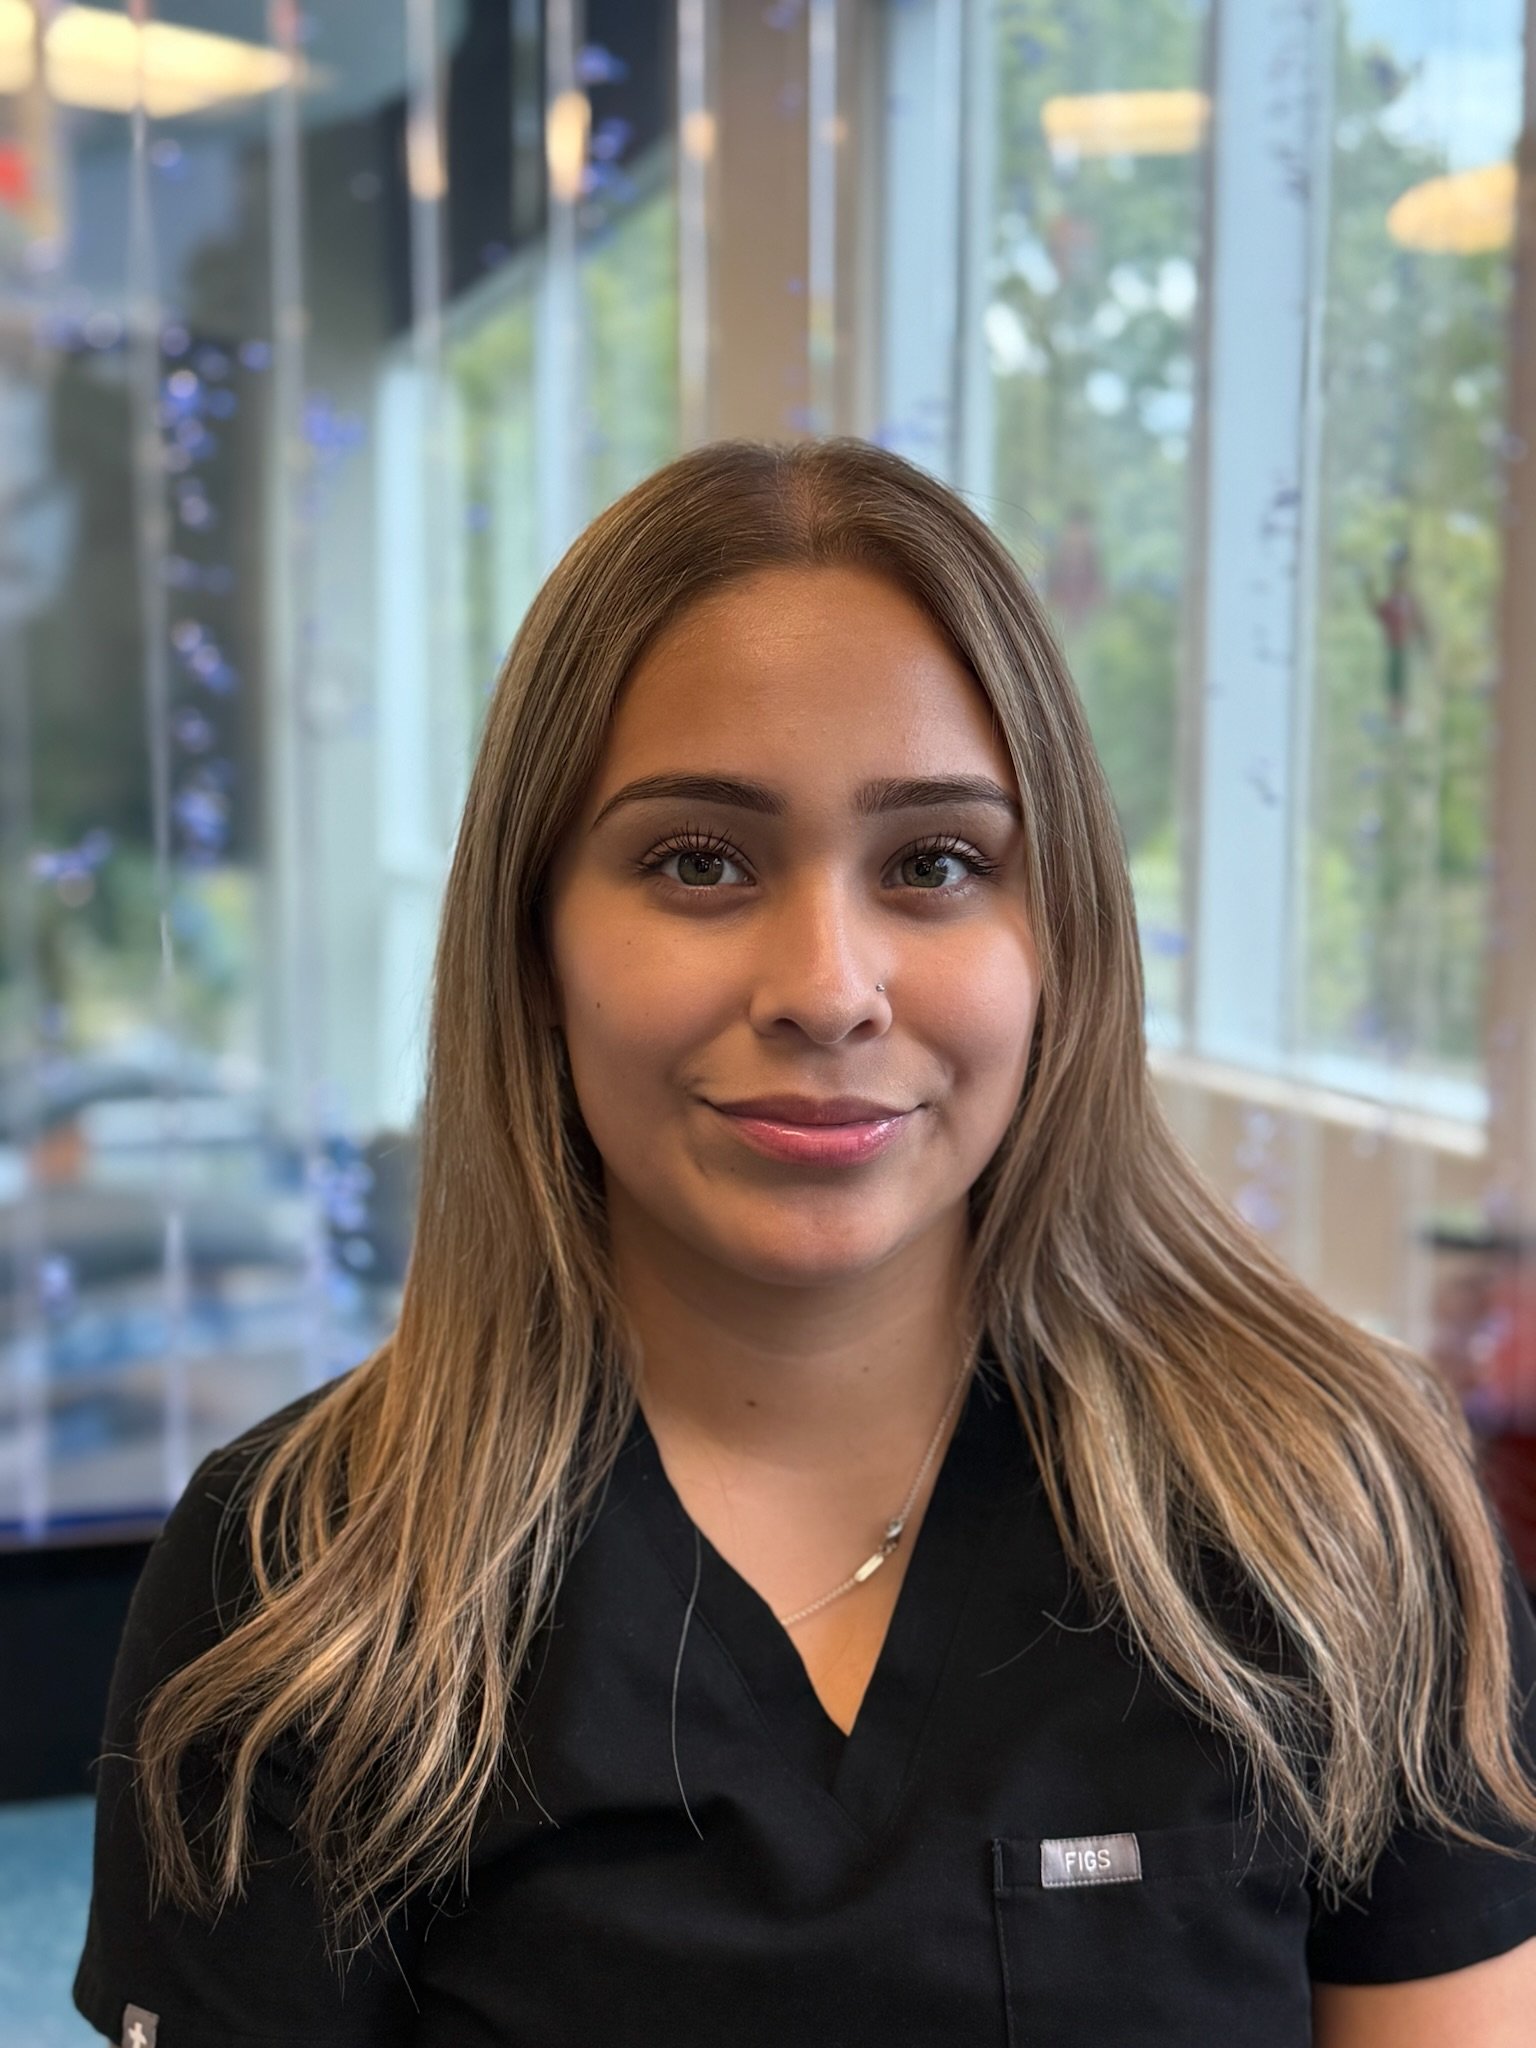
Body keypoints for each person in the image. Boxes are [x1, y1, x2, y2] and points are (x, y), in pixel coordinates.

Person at [75, 438, 1536, 2047]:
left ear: (1065, 942)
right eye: (699, 860)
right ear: (535, 940)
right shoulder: (302, 1577)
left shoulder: (1337, 1514)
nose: (828, 986)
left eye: (937, 863)